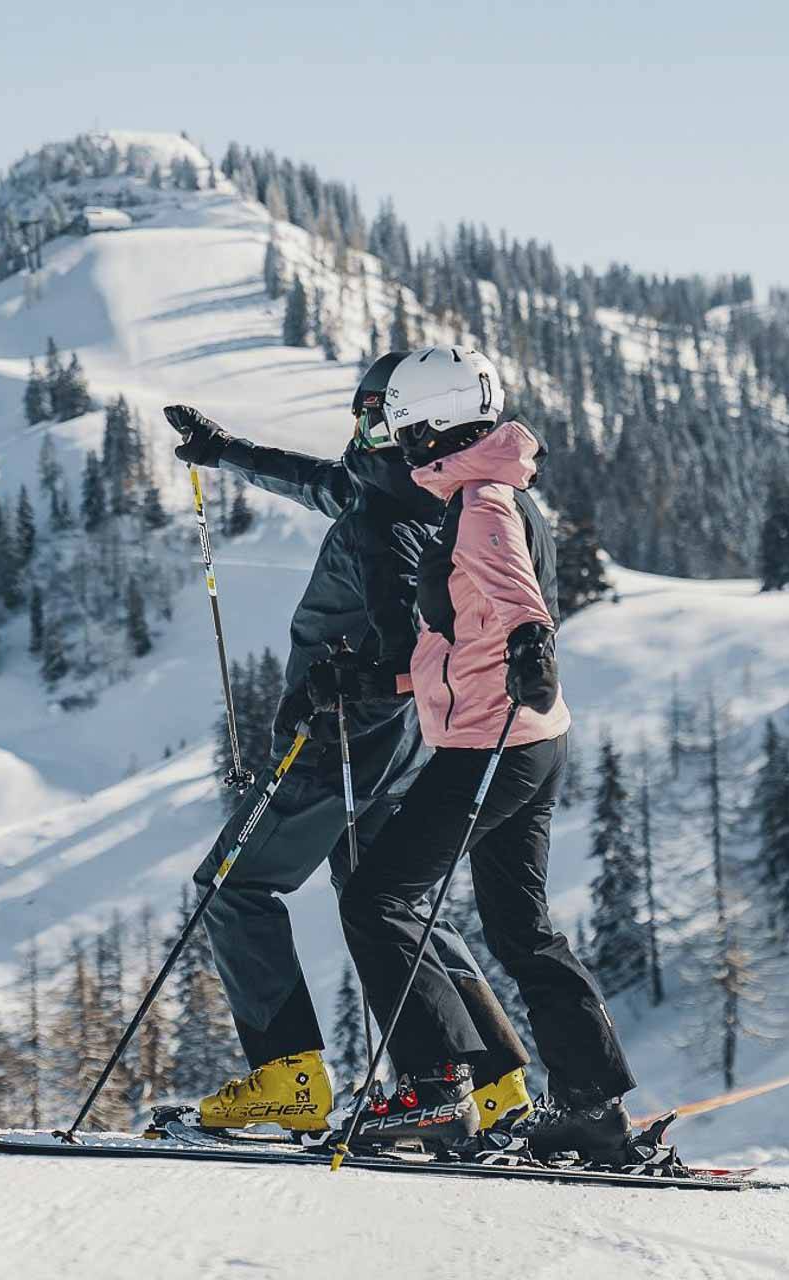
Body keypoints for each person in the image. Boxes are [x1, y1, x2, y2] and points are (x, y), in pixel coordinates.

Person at [163, 354, 535, 1136]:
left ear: (408, 422)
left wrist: (354, 683)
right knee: (391, 904)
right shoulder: (415, 488)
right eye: (361, 419)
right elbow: (317, 482)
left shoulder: (386, 517)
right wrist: (224, 450)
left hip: (339, 738)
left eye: (376, 419)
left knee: (234, 885)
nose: (363, 435)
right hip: (398, 746)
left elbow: (412, 637)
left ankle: (288, 1075)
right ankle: (491, 1081)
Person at [337, 346, 678, 1172]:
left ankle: (434, 1090)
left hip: (493, 741)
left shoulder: (482, 502)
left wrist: (534, 643)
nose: (388, 438)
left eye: (394, 423)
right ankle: (590, 1111)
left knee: (378, 898)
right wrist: (380, 677)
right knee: (521, 931)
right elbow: (469, 631)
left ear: (429, 423)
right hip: (527, 740)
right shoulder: (495, 491)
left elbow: (514, 596)